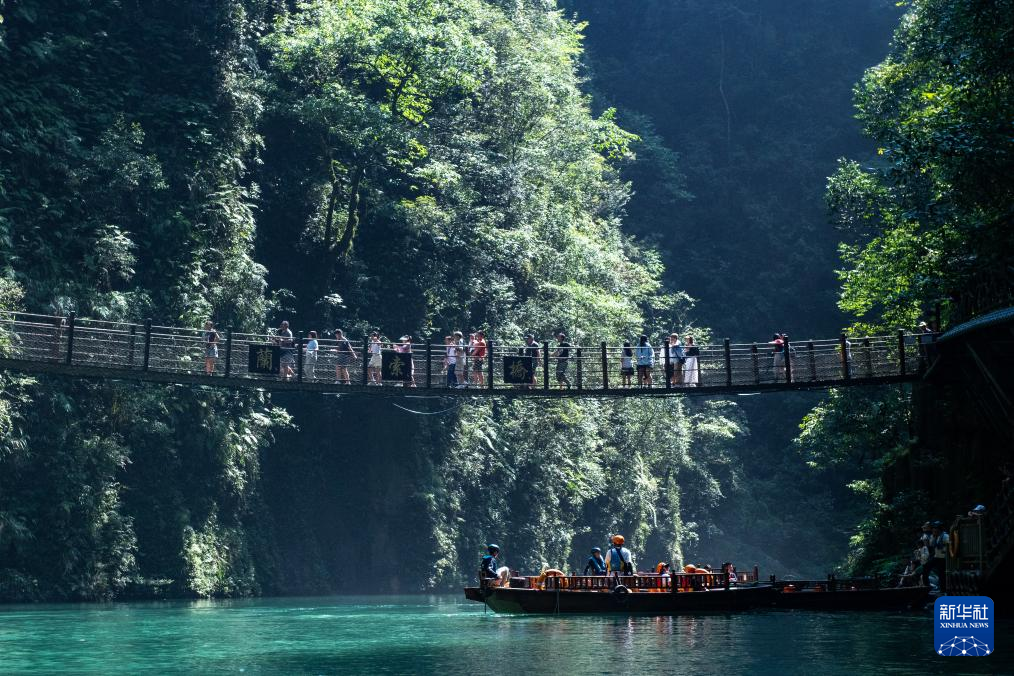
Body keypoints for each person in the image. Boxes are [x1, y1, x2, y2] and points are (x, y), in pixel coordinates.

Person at [926, 521, 949, 593]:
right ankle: (928, 585)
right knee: (927, 566)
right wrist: (933, 536)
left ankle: (943, 589)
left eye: (935, 528)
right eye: (933, 528)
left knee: (942, 573)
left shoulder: (945, 536)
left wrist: (943, 550)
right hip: (937, 557)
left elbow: (949, 546)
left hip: (943, 558)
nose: (933, 530)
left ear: (939, 529)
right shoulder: (935, 536)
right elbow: (931, 545)